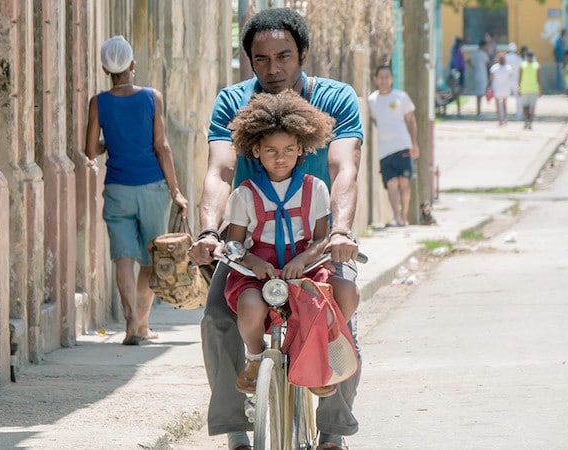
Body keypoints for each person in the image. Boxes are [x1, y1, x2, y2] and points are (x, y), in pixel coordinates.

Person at [187, 8, 363, 450]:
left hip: (318, 246)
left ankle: (332, 434)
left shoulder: (337, 99)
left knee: (341, 316)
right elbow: (219, 171)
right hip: (252, 249)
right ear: (249, 61)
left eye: (284, 56)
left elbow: (345, 167)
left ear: (302, 54)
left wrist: (339, 232)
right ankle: (235, 432)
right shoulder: (232, 102)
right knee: (216, 320)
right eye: (261, 60)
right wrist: (209, 232)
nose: (273, 68)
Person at [221, 90, 359, 400]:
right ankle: (255, 359)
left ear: (301, 148)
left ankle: (316, 354)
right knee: (251, 305)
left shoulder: (316, 188)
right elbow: (234, 243)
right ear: (255, 150)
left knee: (333, 298)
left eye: (288, 149)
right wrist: (255, 264)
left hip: (305, 263)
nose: (280, 157)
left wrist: (304, 259)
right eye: (270, 150)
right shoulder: (245, 193)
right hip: (258, 268)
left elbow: (322, 237)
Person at [84, 36, 189, 345]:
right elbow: (162, 146)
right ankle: (142, 324)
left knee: (123, 258)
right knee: (149, 259)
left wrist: (111, 143)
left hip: (117, 188)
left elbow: (91, 150)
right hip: (153, 188)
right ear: (132, 65)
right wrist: (176, 191)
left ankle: (130, 318)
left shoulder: (98, 102)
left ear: (105, 68)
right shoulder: (151, 97)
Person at [367, 65, 418, 227]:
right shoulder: (372, 100)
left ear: (392, 79)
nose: (384, 80)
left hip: (402, 145)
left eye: (387, 77)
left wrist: (414, 143)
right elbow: (374, 121)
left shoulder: (401, 97)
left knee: (404, 182)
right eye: (380, 77)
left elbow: (411, 120)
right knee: (391, 184)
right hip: (385, 149)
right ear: (375, 79)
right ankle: (396, 215)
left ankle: (404, 216)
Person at [489, 53, 515, 126]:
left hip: (497, 87)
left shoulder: (494, 68)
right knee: (504, 104)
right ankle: (505, 118)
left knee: (497, 104)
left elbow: (491, 78)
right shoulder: (508, 68)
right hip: (505, 87)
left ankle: (500, 120)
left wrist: (489, 86)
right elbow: (510, 76)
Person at [519, 50, 542, 130]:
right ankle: (530, 122)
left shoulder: (523, 65)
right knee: (531, 107)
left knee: (526, 107)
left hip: (525, 88)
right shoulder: (536, 65)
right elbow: (539, 79)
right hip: (533, 89)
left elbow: (520, 78)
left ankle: (527, 121)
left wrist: (519, 88)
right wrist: (540, 89)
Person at [468, 40, 491, 116]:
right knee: (480, 93)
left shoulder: (474, 53)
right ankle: (479, 111)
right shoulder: (483, 54)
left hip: (476, 74)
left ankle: (478, 110)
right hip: (482, 75)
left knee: (478, 93)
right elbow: (488, 63)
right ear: (482, 46)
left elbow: (468, 61)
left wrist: (473, 66)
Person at [505, 43, 523, 121]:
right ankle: (518, 116)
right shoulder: (518, 58)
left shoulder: (505, 58)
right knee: (518, 98)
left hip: (506, 81)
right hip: (516, 80)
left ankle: (503, 116)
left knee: (504, 98)